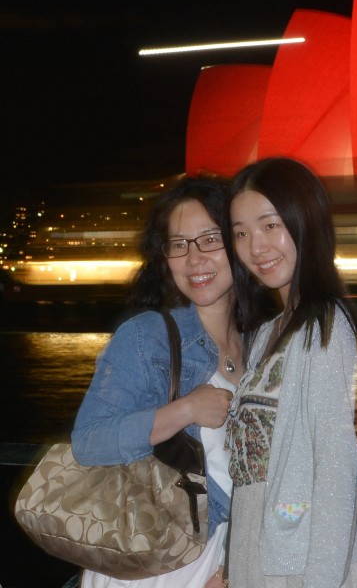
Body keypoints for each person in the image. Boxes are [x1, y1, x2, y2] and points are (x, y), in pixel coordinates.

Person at [72, 177, 242, 588]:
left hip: (218, 559)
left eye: (209, 239)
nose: (194, 258)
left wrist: (231, 566)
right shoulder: (148, 336)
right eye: (179, 244)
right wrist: (185, 409)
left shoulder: (264, 345)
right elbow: (89, 442)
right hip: (147, 556)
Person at [226, 157, 357, 587]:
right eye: (241, 232)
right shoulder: (265, 334)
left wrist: (318, 579)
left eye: (270, 225)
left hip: (301, 563)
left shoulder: (322, 325)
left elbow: (335, 466)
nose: (255, 246)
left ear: (305, 222)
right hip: (258, 550)